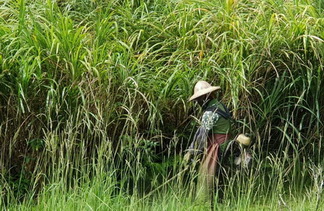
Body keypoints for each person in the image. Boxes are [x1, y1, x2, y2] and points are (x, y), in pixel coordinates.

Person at [184, 80, 232, 204]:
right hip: (227, 143)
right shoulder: (220, 105)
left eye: (199, 99)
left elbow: (201, 136)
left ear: (206, 97)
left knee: (205, 175)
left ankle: (205, 201)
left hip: (218, 146)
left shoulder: (210, 112)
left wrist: (191, 153)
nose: (198, 102)